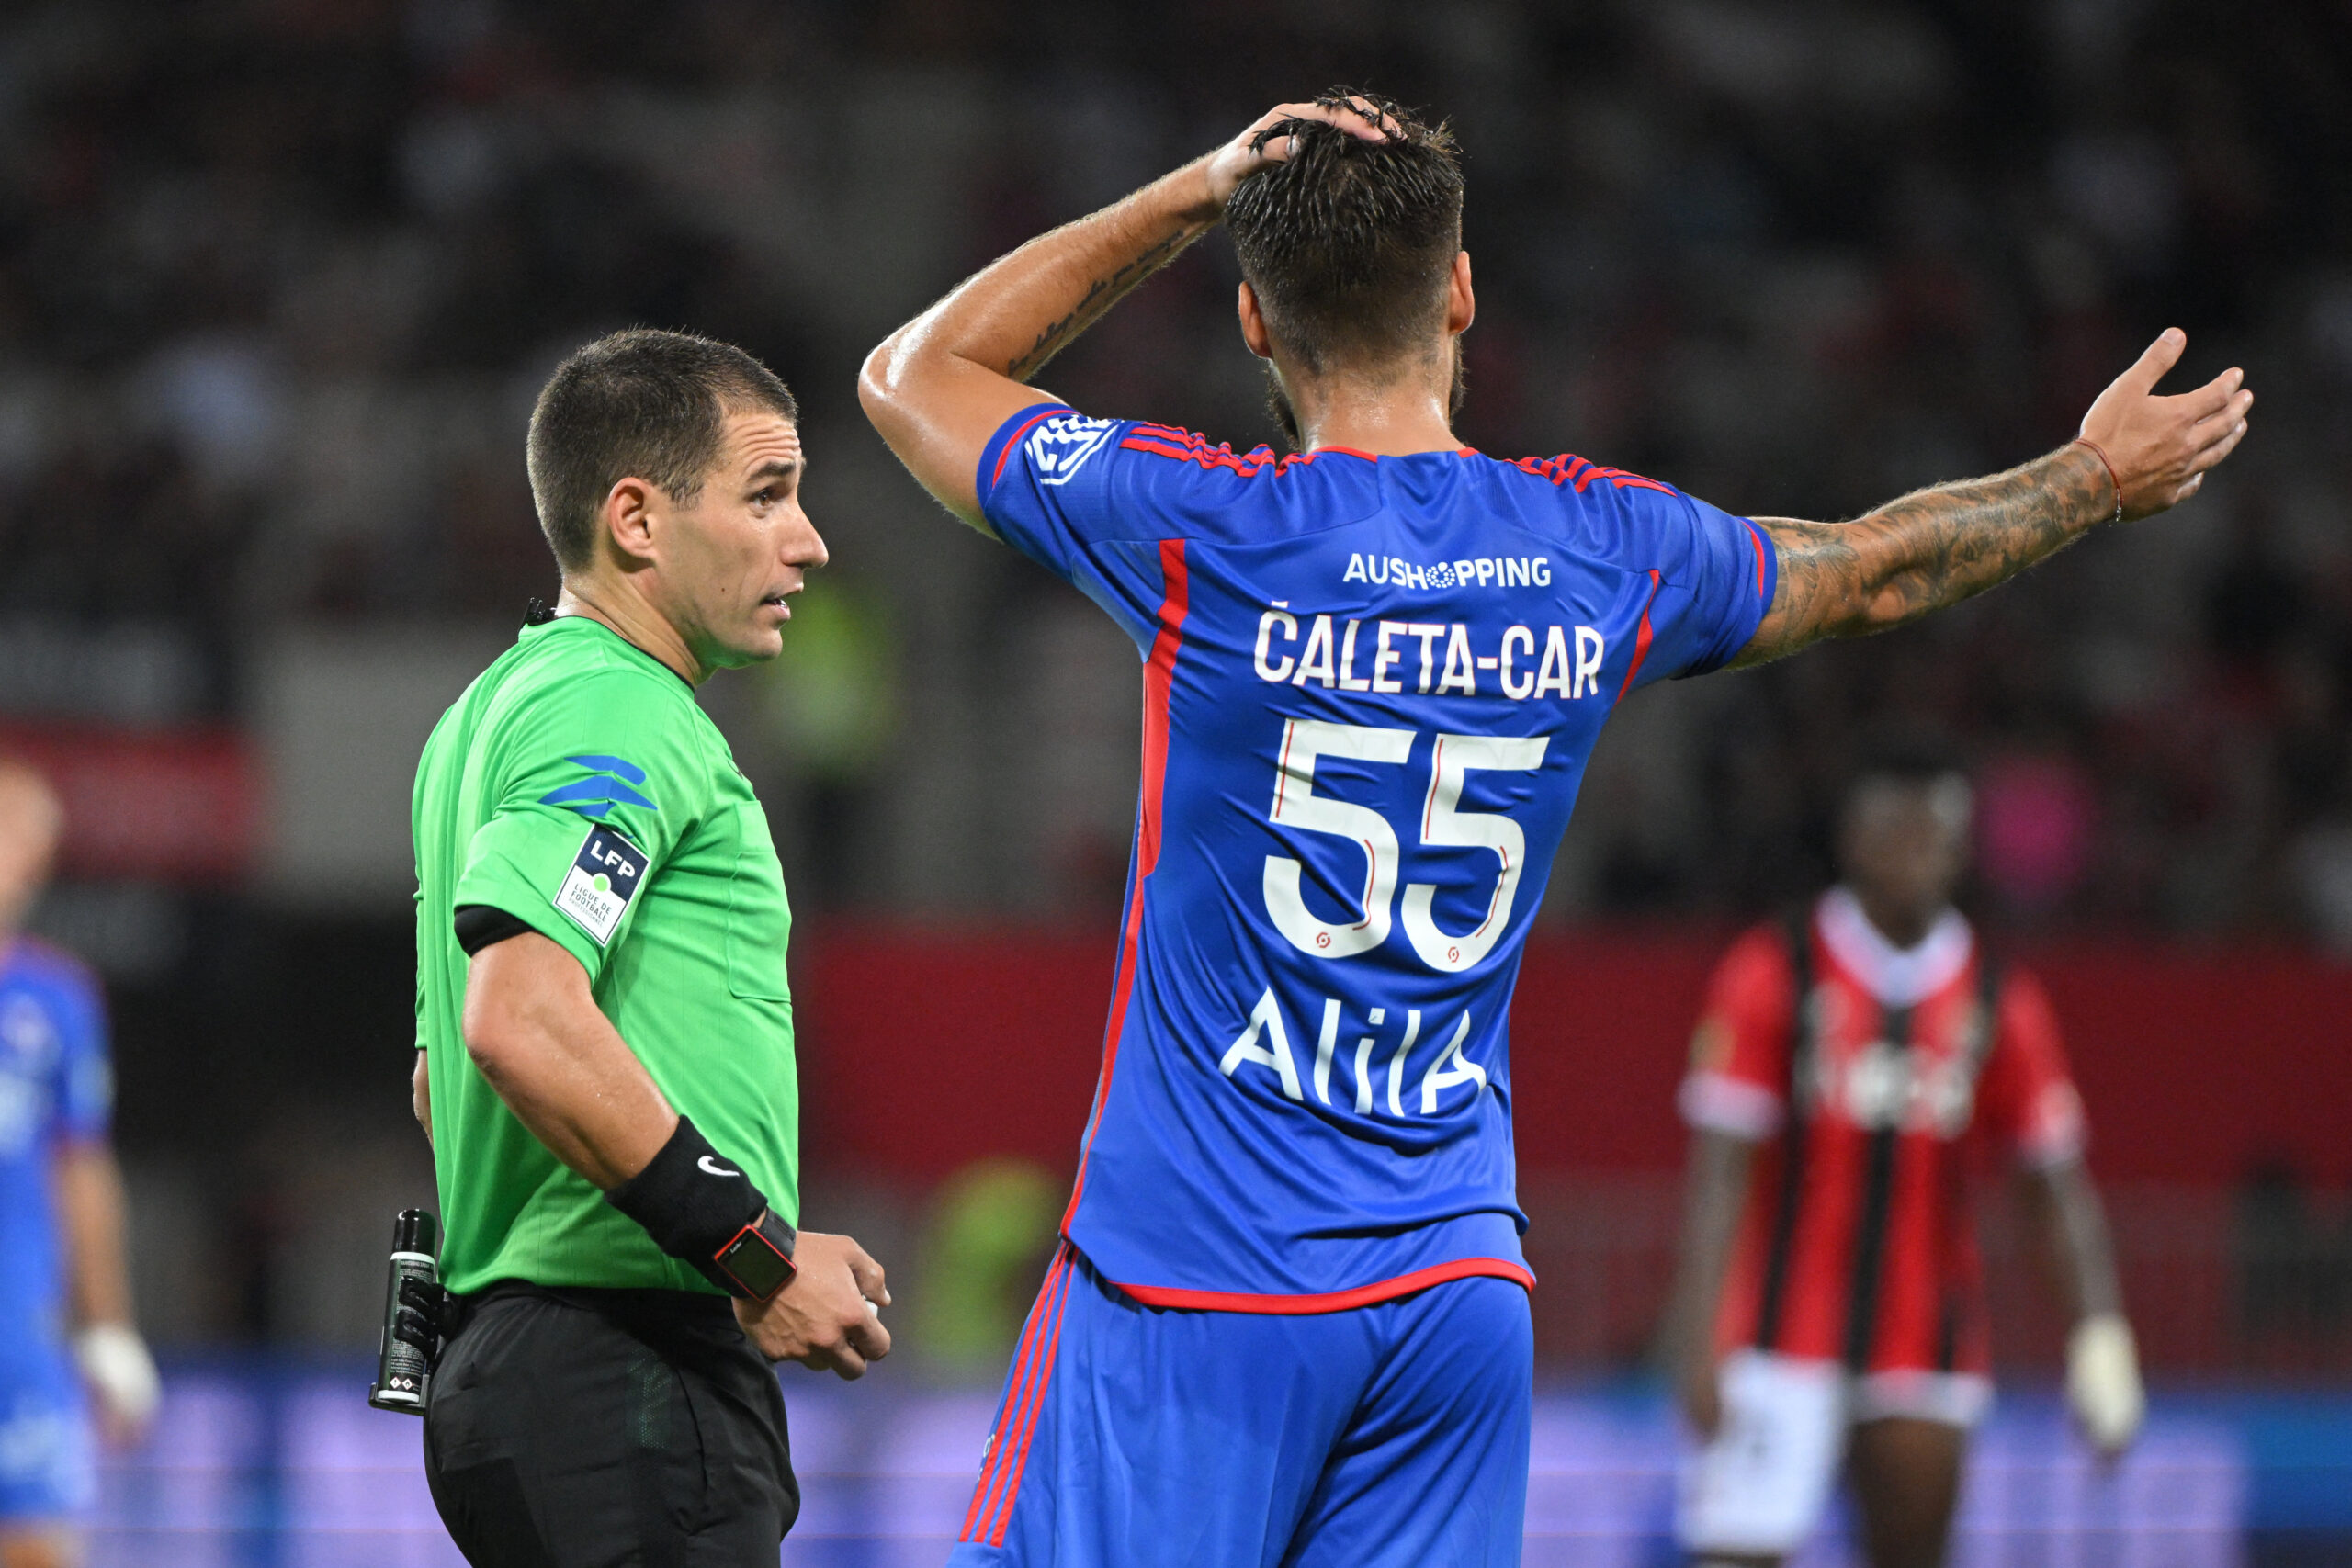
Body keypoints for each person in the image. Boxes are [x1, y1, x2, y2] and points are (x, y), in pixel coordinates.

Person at [857, 87, 2249, 1568]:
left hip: (1195, 1283)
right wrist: (2094, 477)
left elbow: (915, 372)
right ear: (1463, 293)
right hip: (1454, 1293)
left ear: (1254, 325)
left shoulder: (1199, 529)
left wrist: (1200, 192)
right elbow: (1874, 571)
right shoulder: (1594, 547)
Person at [410, 328, 892, 1567]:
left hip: (529, 1369)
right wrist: (756, 1253)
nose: (810, 538)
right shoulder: (621, 707)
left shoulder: (485, 716)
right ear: (636, 517)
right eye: (768, 493)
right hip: (621, 1371)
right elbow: (516, 1019)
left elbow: (439, 1079)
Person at [1658, 740, 2142, 1568]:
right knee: (1731, 1554)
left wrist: (2101, 1338)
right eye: (1899, 831)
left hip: (1927, 1342)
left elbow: (2052, 1187)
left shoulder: (2000, 999)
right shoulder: (1776, 970)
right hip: (1776, 1342)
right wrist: (1695, 1336)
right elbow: (1719, 1177)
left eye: (1938, 833)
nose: (1920, 851)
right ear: (1854, 839)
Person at [0, 763, 159, 1568]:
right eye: (12, 831)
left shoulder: (55, 1000)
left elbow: (82, 1170)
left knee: (35, 1547)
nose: (27, 862)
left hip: (17, 1327)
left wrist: (108, 1329)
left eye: (39, 844)